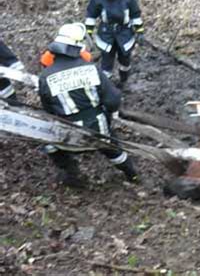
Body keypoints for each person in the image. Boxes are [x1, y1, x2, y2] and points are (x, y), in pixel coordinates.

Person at [38, 23, 138, 187]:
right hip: (97, 132)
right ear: (78, 48)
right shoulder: (91, 69)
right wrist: (111, 114)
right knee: (114, 148)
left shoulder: (45, 77)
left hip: (67, 137)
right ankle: (132, 175)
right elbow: (113, 99)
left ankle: (72, 174)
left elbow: (49, 110)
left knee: (49, 145)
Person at [84, 0, 144, 88]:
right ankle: (107, 86)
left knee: (125, 60)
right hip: (106, 34)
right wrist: (88, 33)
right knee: (106, 63)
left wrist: (140, 31)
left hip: (125, 34)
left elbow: (135, 14)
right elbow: (91, 16)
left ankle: (123, 81)